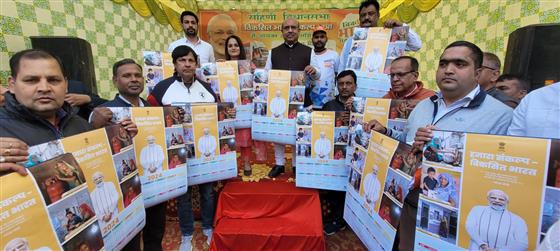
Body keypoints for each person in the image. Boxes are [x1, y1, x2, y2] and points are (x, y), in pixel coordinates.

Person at [376, 41, 513, 251]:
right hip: (411, 205)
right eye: (443, 64)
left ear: (477, 73)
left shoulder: (501, 115)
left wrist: (437, 153)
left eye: (460, 64)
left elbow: (501, 175)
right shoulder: (424, 105)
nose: (448, 70)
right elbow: (405, 141)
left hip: (457, 219)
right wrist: (387, 134)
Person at [0, 49, 136, 176]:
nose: (44, 88)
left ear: (65, 85)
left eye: (53, 80)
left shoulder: (80, 125)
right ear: (12, 85)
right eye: (31, 80)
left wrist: (119, 137)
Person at [147, 46, 224, 250]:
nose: (187, 64)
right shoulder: (162, 89)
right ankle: (187, 233)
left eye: (191, 60)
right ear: (175, 64)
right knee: (183, 194)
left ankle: (208, 227)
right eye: (182, 60)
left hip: (204, 152)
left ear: (196, 63)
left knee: (207, 192)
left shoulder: (206, 88)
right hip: (178, 153)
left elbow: (218, 115)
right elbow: (149, 117)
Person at [97, 58, 165, 251]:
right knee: (130, 238)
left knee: (155, 231)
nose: (134, 79)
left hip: (155, 178)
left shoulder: (154, 109)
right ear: (115, 81)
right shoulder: (105, 112)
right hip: (125, 184)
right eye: (127, 76)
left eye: (137, 75)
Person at [264, 17, 321, 178]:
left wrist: (314, 70)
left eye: (293, 28)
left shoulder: (309, 51)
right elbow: (267, 74)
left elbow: (319, 74)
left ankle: (297, 165)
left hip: (303, 100)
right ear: (281, 31)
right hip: (278, 99)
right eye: (286, 27)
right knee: (278, 133)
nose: (290, 30)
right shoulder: (273, 52)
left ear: (299, 31)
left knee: (299, 132)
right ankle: (279, 164)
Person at [222, 37, 267, 176]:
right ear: (227, 49)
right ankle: (229, 167)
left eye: (236, 45)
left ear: (240, 48)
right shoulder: (222, 66)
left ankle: (247, 163)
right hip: (228, 107)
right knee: (227, 137)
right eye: (230, 45)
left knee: (245, 136)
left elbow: (260, 80)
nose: (233, 48)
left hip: (245, 107)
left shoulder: (249, 65)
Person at [338, 0, 422, 72]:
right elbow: (342, 68)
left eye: (371, 14)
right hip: (357, 88)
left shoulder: (389, 35)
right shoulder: (350, 41)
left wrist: (401, 25)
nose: (366, 17)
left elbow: (416, 45)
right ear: (359, 18)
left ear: (378, 16)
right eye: (363, 15)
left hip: (384, 88)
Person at [310, 25, 339, 109]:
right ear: (312, 39)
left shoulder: (334, 55)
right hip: (310, 103)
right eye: (316, 37)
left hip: (329, 102)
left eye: (322, 37)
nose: (319, 39)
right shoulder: (308, 54)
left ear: (326, 39)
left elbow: (337, 76)